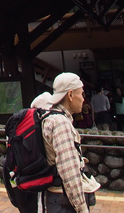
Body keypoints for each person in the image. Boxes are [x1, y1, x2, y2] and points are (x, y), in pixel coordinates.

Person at [42, 73, 100, 213]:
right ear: (70, 95)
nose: (83, 99)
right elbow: (69, 171)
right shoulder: (60, 123)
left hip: (57, 197)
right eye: (81, 94)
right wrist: (82, 208)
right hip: (63, 201)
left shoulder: (50, 117)